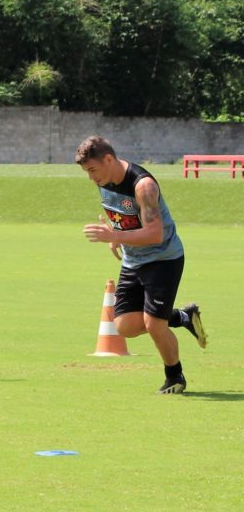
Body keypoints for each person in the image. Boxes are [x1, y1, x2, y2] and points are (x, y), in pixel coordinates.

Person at [77, 136, 207, 394]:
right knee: (125, 325)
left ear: (109, 159)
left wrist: (115, 236)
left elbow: (155, 233)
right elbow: (120, 214)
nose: (91, 177)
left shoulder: (143, 186)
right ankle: (183, 317)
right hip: (133, 260)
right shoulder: (104, 180)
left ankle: (175, 376)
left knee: (154, 324)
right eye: (86, 172)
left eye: (92, 170)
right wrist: (114, 233)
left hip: (163, 259)